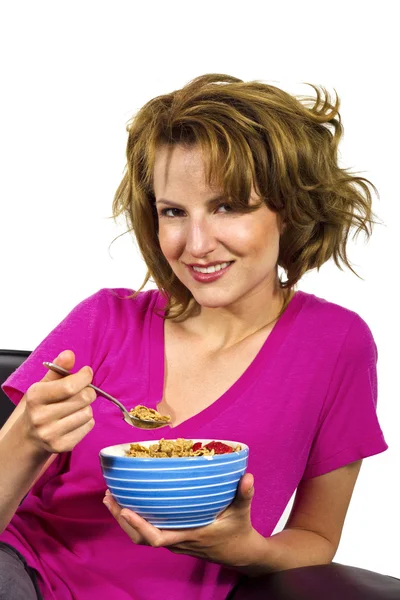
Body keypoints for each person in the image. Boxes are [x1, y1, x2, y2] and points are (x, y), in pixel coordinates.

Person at [0, 74, 388, 600]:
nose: (197, 244)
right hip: (27, 574)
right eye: (173, 212)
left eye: (228, 206)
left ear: (290, 208)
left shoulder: (336, 345)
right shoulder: (103, 320)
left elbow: (317, 537)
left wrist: (242, 549)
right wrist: (28, 436)